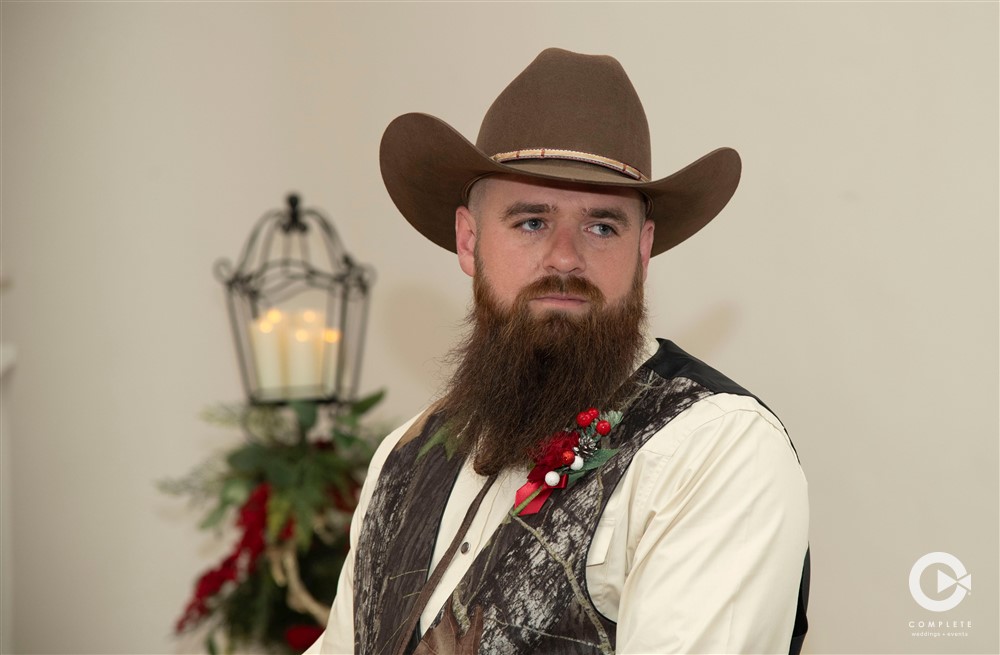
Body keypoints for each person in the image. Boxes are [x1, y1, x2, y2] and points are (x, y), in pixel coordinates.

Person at [307, 48, 809, 655]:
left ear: (643, 251)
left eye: (602, 227)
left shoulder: (713, 452)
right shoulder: (404, 457)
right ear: (469, 240)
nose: (566, 258)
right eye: (531, 222)